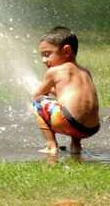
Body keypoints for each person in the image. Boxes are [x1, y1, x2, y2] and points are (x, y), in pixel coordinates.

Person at [31, 26, 99, 154]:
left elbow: (36, 95)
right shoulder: (85, 71)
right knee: (73, 109)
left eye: (47, 54)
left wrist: (39, 89)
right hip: (91, 127)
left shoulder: (54, 72)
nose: (43, 60)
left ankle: (51, 146)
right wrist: (52, 90)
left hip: (68, 123)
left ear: (66, 51)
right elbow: (68, 95)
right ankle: (76, 145)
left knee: (38, 103)